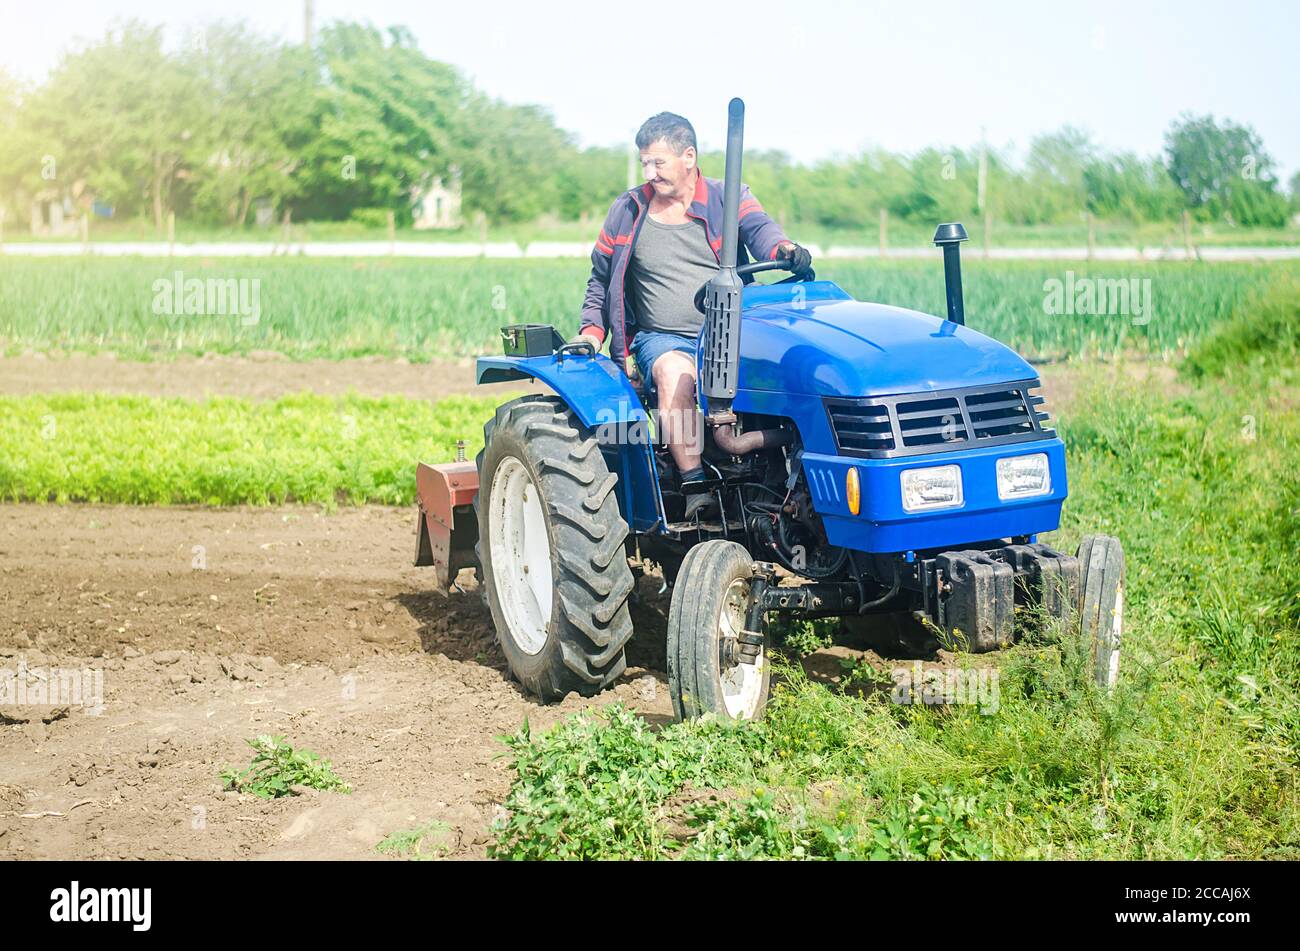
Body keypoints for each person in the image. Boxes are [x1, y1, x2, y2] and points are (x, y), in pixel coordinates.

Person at [571, 111, 811, 517]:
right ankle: (694, 482)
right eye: (644, 162)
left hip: (731, 333)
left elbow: (760, 230)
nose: (649, 172)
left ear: (688, 156)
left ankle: (788, 479)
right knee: (674, 373)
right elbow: (600, 278)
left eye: (657, 162)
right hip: (662, 337)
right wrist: (593, 331)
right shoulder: (627, 211)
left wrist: (783, 251)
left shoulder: (726, 196)